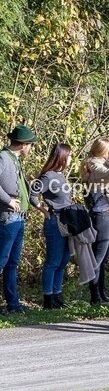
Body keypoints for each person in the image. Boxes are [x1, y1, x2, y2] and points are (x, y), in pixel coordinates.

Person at [30, 144, 74, 309]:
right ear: (61, 157)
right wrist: (43, 209)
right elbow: (32, 194)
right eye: (69, 156)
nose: (71, 159)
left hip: (67, 222)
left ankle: (57, 295)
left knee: (63, 260)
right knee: (53, 261)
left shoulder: (60, 175)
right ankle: (48, 298)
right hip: (54, 222)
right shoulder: (48, 176)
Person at [0, 126, 38, 314]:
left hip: (19, 217)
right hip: (7, 217)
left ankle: (13, 304)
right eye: (30, 145)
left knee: (12, 263)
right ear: (23, 145)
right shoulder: (3, 157)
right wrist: (7, 200)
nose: (31, 148)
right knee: (2, 261)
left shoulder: (14, 159)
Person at [82, 137, 109, 306]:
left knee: (103, 257)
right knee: (98, 257)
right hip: (101, 215)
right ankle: (95, 296)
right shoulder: (94, 165)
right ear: (103, 150)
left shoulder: (102, 163)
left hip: (106, 214)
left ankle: (101, 293)